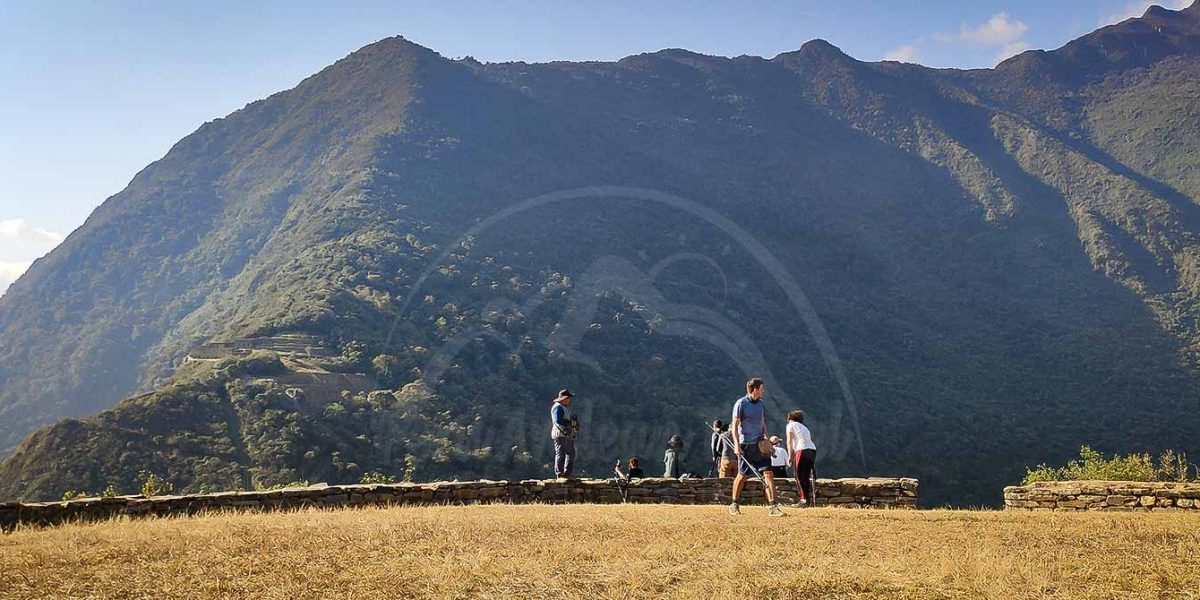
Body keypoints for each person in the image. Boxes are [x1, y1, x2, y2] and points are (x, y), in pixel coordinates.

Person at [729, 377, 784, 517]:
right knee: (742, 476)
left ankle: (773, 506)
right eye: (761, 389)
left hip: (761, 445)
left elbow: (762, 423)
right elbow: (735, 426)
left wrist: (767, 440)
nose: (763, 391)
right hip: (746, 445)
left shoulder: (761, 404)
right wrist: (736, 446)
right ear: (754, 390)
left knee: (768, 473)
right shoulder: (741, 404)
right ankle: (734, 504)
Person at [786, 409, 817, 507]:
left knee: (798, 475)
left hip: (801, 449)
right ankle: (807, 500)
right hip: (812, 449)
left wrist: (790, 456)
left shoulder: (790, 425)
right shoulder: (804, 427)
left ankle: (803, 500)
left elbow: (789, 442)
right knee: (806, 476)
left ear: (790, 418)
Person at [550, 389, 579, 479]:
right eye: (568, 398)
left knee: (571, 453)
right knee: (561, 452)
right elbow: (558, 420)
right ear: (564, 399)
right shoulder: (557, 407)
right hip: (560, 433)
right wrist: (570, 423)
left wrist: (575, 424)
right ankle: (560, 473)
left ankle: (567, 473)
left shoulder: (565, 408)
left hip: (567, 434)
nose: (569, 400)